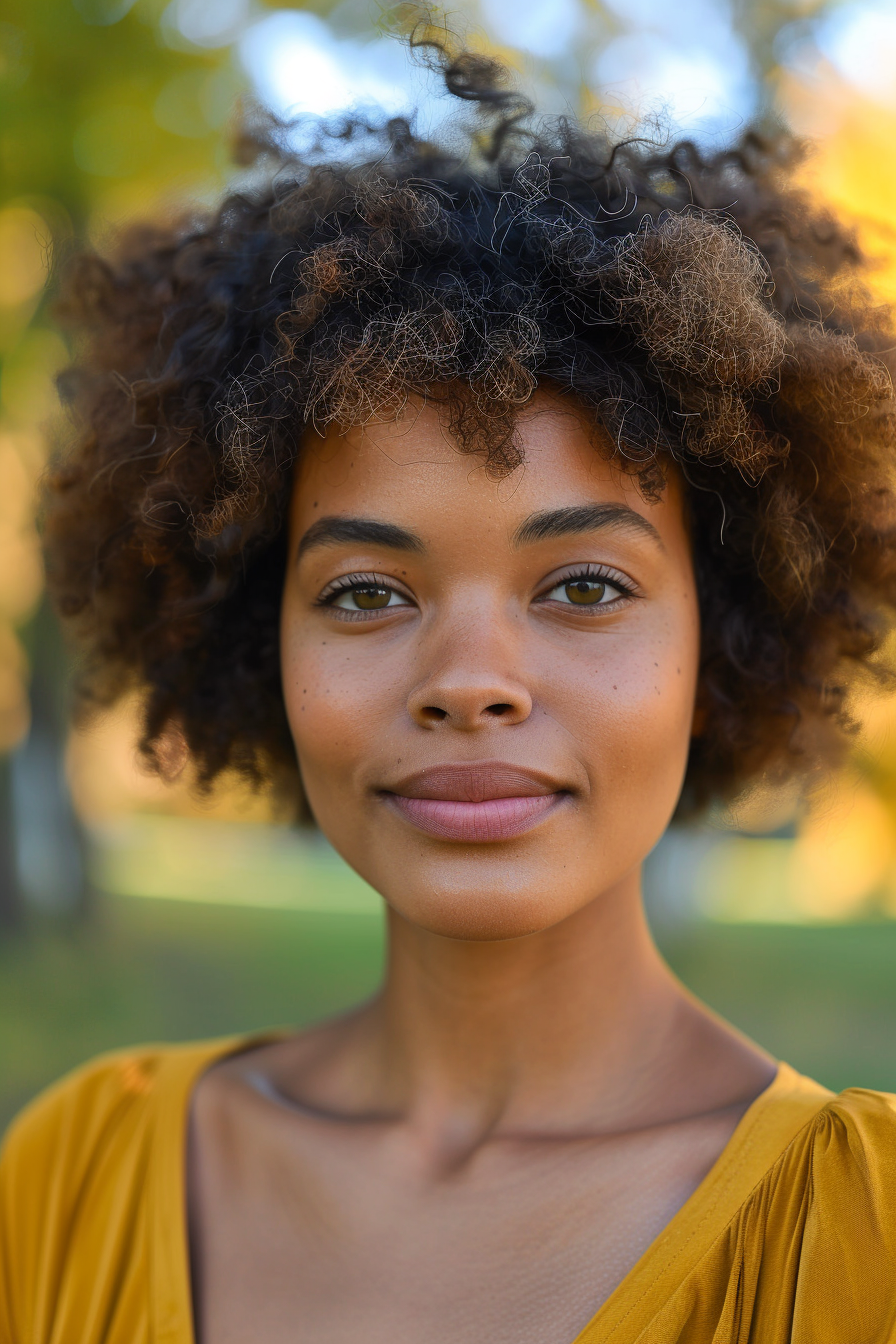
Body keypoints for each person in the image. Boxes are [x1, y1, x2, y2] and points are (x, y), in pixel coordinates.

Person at [2, 30, 896, 1344]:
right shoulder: (74, 1171)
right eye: (367, 593)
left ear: (730, 627)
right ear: (261, 638)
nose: (469, 684)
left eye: (584, 586)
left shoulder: (862, 1235)